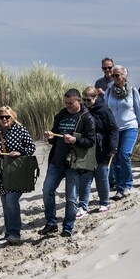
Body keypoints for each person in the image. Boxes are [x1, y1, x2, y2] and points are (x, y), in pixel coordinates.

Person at [40, 89, 97, 237]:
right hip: (56, 162)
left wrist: (75, 140)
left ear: (78, 101)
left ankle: (68, 227)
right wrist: (50, 136)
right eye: (65, 103)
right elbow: (54, 138)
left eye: (70, 103)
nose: (67, 106)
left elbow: (91, 141)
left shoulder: (87, 118)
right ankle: (51, 223)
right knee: (47, 191)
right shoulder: (61, 115)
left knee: (71, 198)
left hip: (74, 163)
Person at [0, 106, 37, 245]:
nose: (4, 119)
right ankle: (8, 233)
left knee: (11, 201)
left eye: (7, 117)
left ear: (12, 117)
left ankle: (15, 233)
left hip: (17, 172)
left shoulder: (21, 130)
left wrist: (20, 152)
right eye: (1, 117)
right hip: (2, 173)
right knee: (5, 203)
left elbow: (31, 147)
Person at [104, 65, 140, 199]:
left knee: (124, 154)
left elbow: (139, 110)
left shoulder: (132, 91)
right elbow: (105, 111)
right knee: (116, 158)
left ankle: (128, 184)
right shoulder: (108, 92)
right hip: (114, 130)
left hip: (130, 127)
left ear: (124, 75)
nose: (115, 78)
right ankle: (120, 187)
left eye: (117, 75)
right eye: (113, 76)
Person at [80, 86, 118, 214]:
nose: (86, 102)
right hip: (86, 150)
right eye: (84, 100)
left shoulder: (104, 110)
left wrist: (113, 147)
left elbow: (113, 129)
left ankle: (103, 203)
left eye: (89, 100)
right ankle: (83, 206)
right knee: (85, 179)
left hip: (102, 149)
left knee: (101, 178)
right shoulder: (83, 111)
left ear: (95, 97)